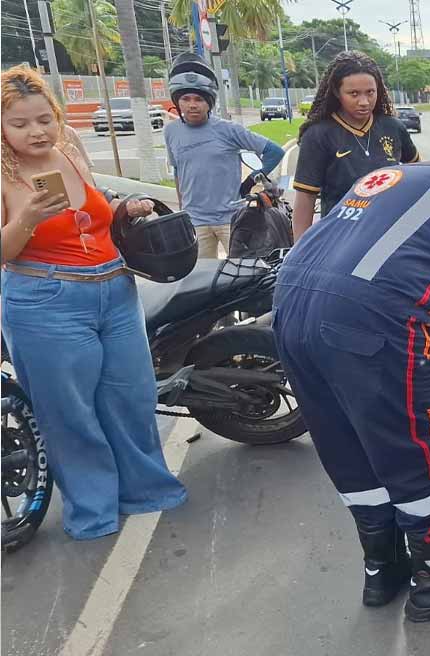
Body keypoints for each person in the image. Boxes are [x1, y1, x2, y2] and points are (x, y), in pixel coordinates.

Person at [272, 140, 430, 622]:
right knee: (426, 452)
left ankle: (381, 569)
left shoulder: (386, 178)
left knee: (351, 446)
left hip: (291, 311)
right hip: (375, 322)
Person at [1, 66, 188, 540]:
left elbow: (93, 214)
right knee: (70, 412)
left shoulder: (69, 149)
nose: (36, 131)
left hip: (114, 288)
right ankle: (93, 509)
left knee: (131, 396)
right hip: (46, 299)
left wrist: (124, 209)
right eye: (20, 124)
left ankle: (147, 489)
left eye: (44, 119)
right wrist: (25, 217)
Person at [164, 53, 284, 259]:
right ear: (177, 101)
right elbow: (178, 171)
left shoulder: (228, 130)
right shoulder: (171, 131)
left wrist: (250, 180)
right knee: (200, 280)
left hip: (232, 219)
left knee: (242, 278)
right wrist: (183, 211)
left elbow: (274, 151)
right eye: (186, 99)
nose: (192, 105)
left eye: (199, 99)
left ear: (209, 102)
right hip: (195, 221)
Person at [291, 51, 420, 241]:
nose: (364, 102)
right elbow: (305, 200)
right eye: (353, 94)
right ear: (336, 92)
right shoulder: (318, 135)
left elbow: (417, 176)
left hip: (391, 237)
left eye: (370, 92)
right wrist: (299, 251)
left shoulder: (393, 127)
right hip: (341, 239)